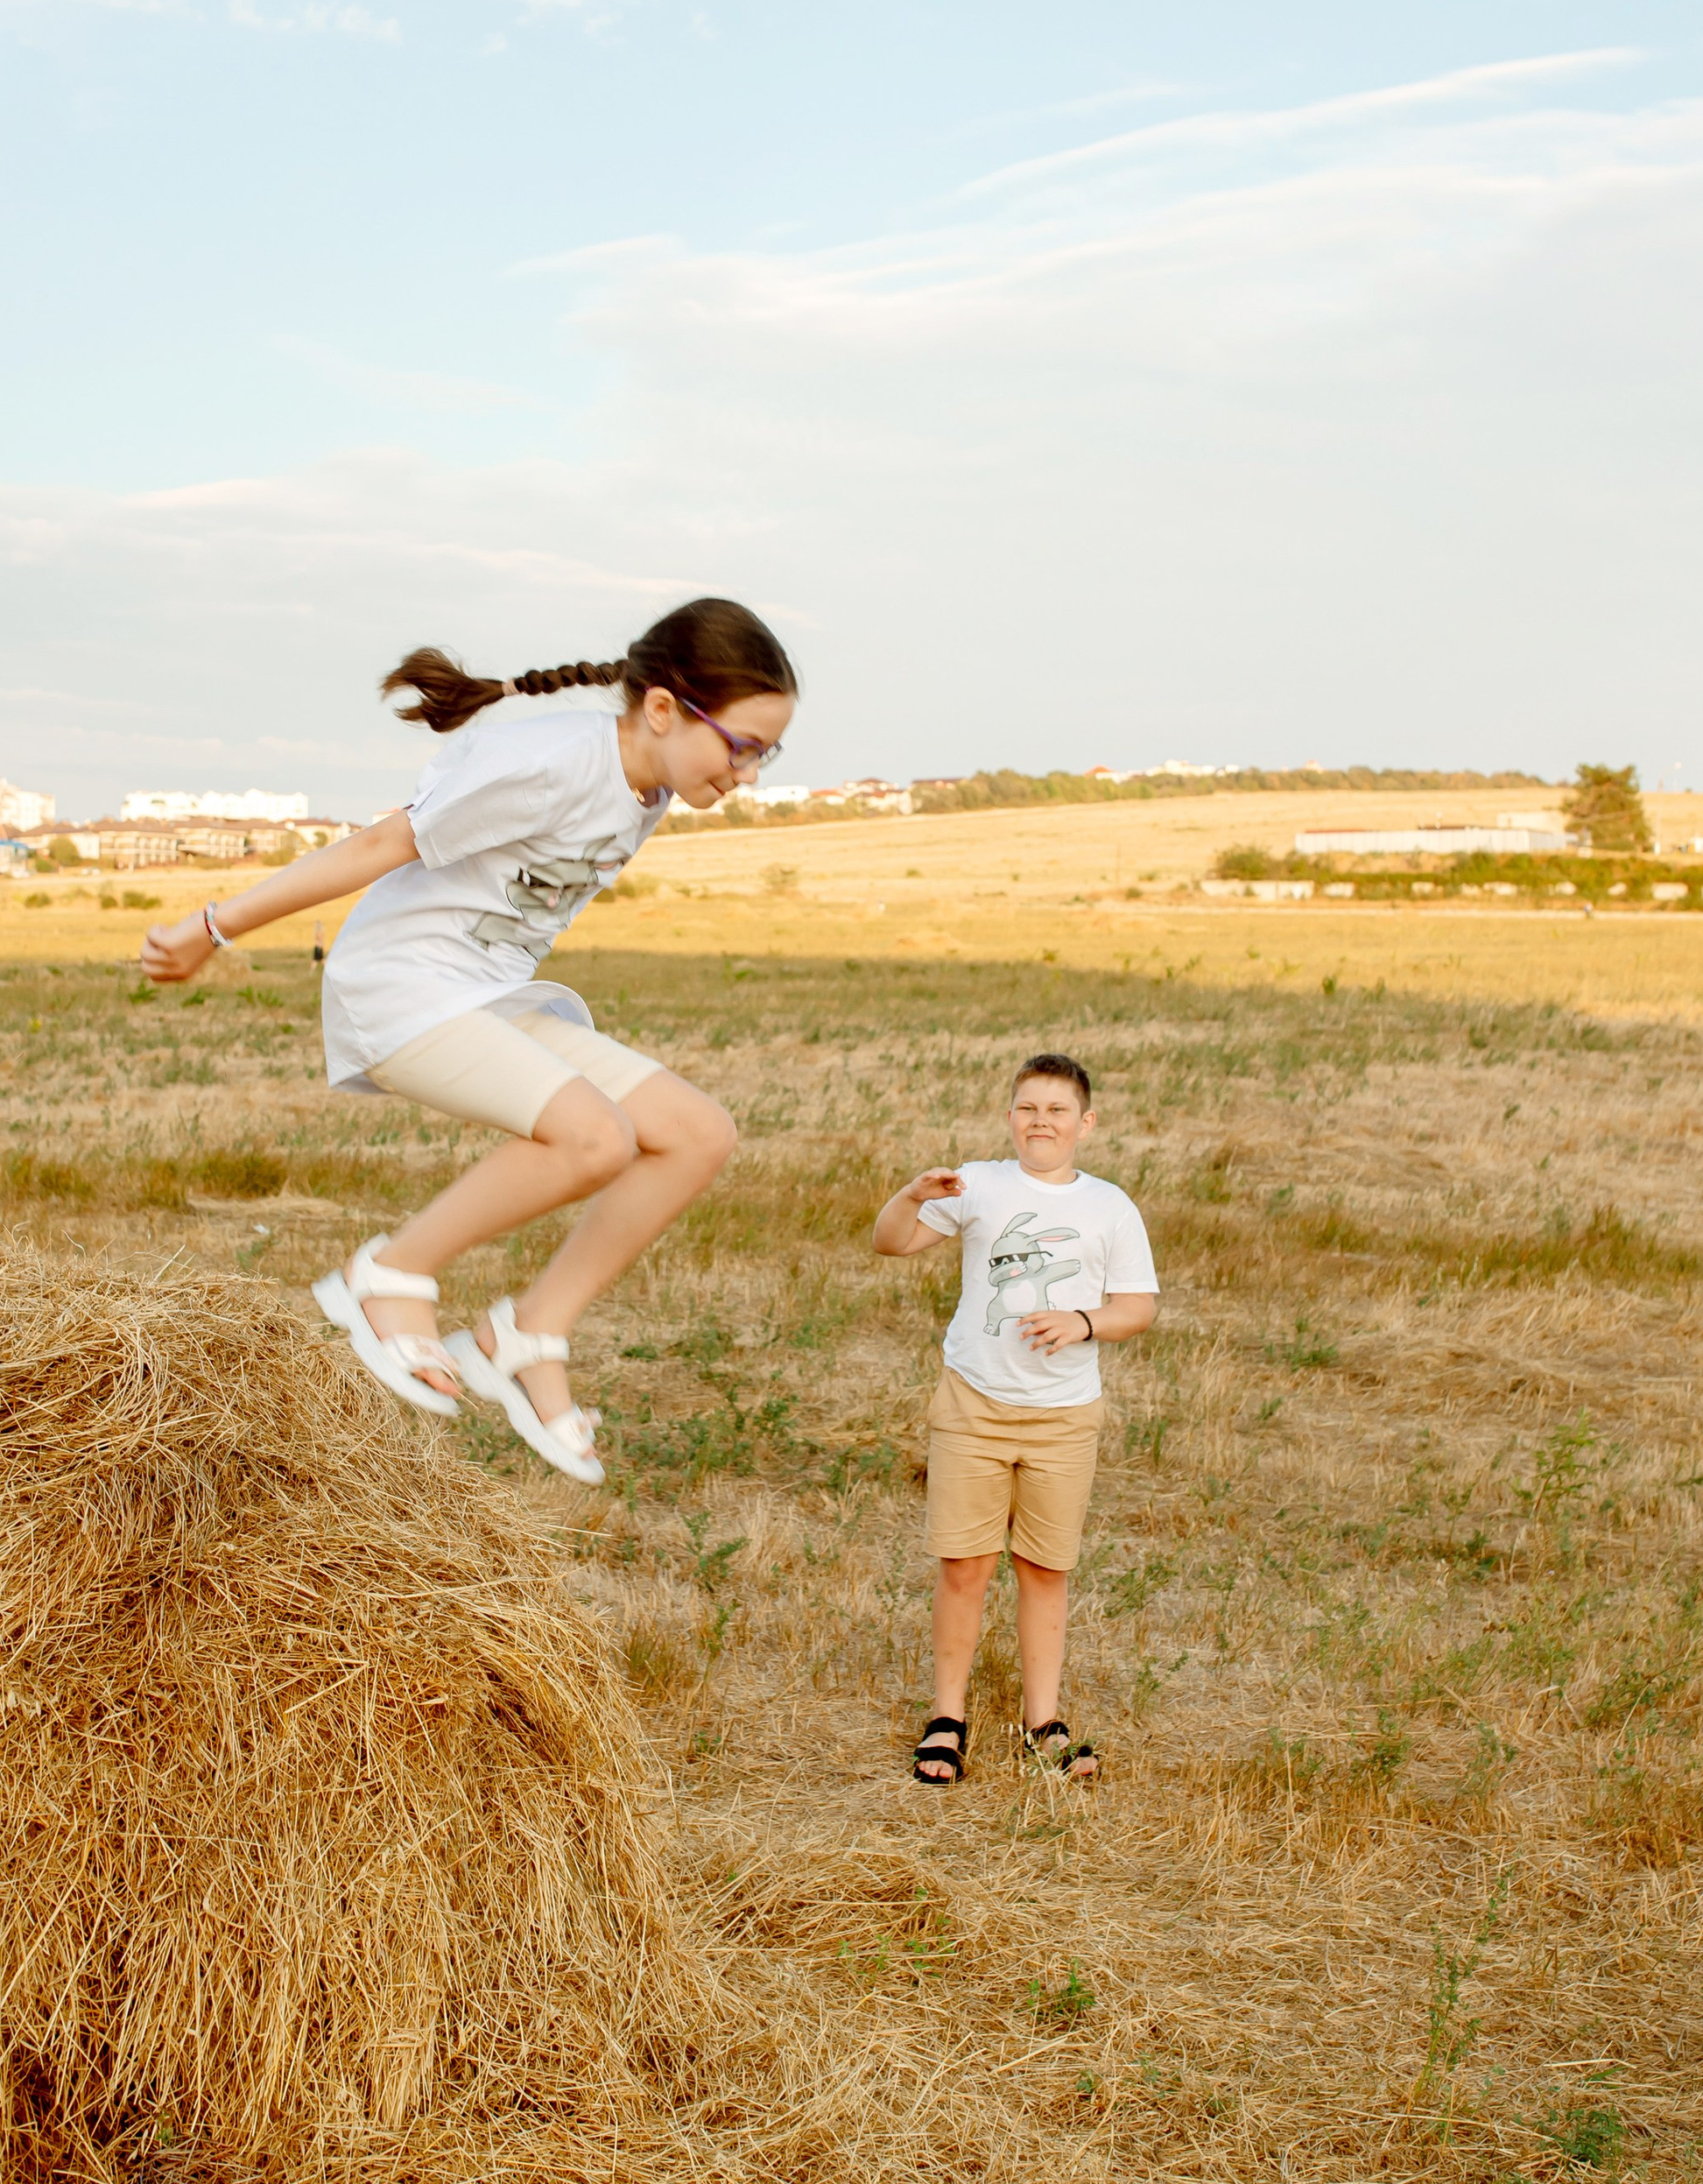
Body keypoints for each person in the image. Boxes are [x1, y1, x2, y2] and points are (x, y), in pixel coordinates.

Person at [139, 597, 798, 1483]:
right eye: (744, 746)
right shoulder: (550, 762)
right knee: (593, 1137)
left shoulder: (647, 790)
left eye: (768, 752)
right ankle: (389, 1280)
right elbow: (380, 843)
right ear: (664, 709)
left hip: (486, 995)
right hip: (402, 989)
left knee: (695, 1133)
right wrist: (213, 926)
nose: (749, 772)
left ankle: (526, 1335)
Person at [871, 1053, 1157, 1786]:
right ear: (1010, 1117)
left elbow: (1137, 1308)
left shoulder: (1110, 1207)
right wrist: (909, 1196)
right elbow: (890, 1241)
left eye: (1058, 1110)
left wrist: (1082, 1323)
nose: (1042, 1122)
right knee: (964, 1565)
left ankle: (1043, 1723)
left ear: (1085, 1123)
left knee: (1044, 1567)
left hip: (1063, 1418)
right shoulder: (981, 1185)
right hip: (974, 1404)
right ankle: (947, 1717)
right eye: (1028, 1108)